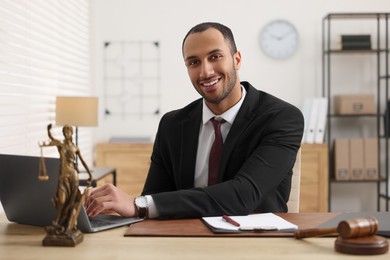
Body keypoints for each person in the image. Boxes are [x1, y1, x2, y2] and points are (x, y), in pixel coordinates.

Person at [85, 22, 304, 219]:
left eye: (215, 57)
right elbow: (156, 199)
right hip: (185, 241)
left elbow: (243, 195)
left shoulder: (281, 118)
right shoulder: (172, 125)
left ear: (236, 59)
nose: (205, 71)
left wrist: (137, 204)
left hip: (258, 244)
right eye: (194, 62)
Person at [40, 124, 92, 235]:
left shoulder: (75, 148)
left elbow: (82, 161)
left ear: (72, 133)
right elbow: (52, 139)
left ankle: (65, 225)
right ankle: (59, 222)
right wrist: (49, 130)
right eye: (64, 131)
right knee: (61, 200)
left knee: (72, 201)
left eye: (68, 131)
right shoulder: (61, 145)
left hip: (73, 174)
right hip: (63, 176)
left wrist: (89, 174)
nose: (66, 133)